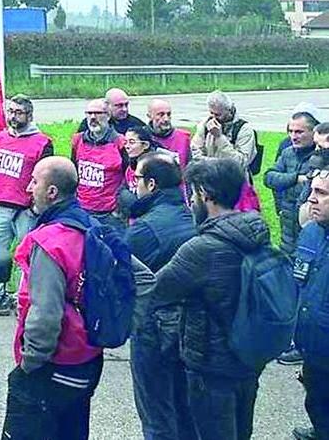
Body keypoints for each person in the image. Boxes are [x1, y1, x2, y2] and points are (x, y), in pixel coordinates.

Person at [152, 158, 271, 440]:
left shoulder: (201, 249)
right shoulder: (257, 235)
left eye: (192, 194)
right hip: (249, 357)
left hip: (211, 365)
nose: (190, 201)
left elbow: (156, 291)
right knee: (242, 431)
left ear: (205, 194)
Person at [2, 157, 104, 440]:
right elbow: (141, 279)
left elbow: (45, 314)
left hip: (54, 364)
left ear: (52, 192)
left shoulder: (51, 242)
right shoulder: (93, 228)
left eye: (34, 181)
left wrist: (29, 365)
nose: (28, 188)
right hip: (88, 360)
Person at [123, 153, 198, 440]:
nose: (134, 185)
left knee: (156, 412)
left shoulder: (144, 228)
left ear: (151, 184)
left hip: (154, 327)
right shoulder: (193, 217)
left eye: (137, 179)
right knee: (186, 408)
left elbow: (122, 278)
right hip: (191, 325)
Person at [0, 94, 54, 315]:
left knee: (27, 257)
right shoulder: (2, 137)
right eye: (11, 111)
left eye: (18, 112)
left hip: (26, 210)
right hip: (1, 206)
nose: (13, 116)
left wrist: (36, 208)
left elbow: (45, 178)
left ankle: (24, 299)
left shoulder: (42, 142)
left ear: (29, 115)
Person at [292, 172, 329, 440]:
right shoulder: (311, 232)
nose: (311, 199)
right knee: (316, 399)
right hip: (312, 343)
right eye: (312, 191)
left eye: (322, 193)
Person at [190, 90, 260, 212]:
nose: (214, 118)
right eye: (211, 113)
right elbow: (195, 151)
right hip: (209, 183)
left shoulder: (244, 130)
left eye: (218, 115)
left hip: (235, 187)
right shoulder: (205, 124)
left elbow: (240, 162)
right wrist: (215, 164)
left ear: (229, 110)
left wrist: (219, 138)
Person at [265, 111, 319, 259]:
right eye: (291, 131)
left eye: (299, 132)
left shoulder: (321, 157)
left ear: (313, 132)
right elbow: (269, 178)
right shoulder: (287, 153)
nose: (293, 137)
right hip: (288, 230)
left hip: (311, 227)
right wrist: (295, 179)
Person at [70, 98, 128, 227]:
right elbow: (73, 172)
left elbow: (128, 177)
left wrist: (118, 208)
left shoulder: (120, 143)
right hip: (83, 210)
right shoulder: (78, 140)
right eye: (89, 113)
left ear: (108, 116)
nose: (92, 117)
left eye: (97, 113)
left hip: (109, 213)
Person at [75, 88, 147, 135]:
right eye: (119, 105)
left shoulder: (136, 124)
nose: (124, 109)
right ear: (107, 105)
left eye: (126, 105)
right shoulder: (92, 122)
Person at [148, 98, 192, 169]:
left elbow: (191, 166)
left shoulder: (184, 138)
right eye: (161, 115)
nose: (166, 119)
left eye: (168, 114)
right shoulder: (141, 137)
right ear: (150, 116)